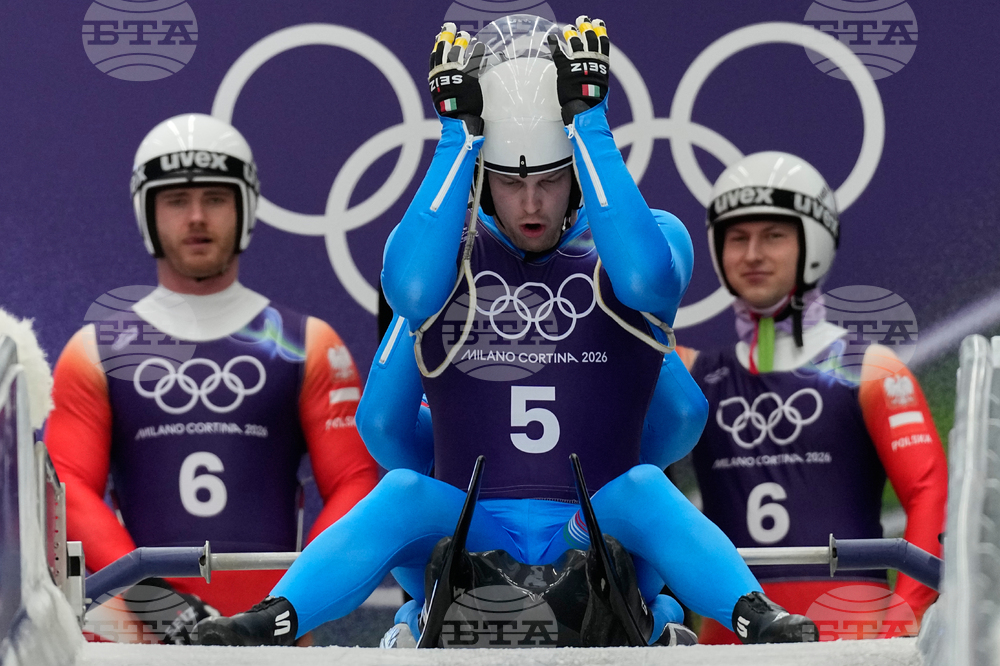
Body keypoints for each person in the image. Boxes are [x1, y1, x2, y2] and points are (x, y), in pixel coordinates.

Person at [195, 16, 815, 647]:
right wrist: (457, 142)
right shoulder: (449, 256)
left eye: (548, 179)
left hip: (586, 526)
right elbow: (408, 292)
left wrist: (590, 125)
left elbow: (648, 280)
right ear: (482, 179)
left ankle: (754, 618)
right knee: (407, 490)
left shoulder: (653, 235)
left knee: (641, 487)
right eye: (511, 182)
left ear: (577, 168)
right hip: (482, 529)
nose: (531, 205)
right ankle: (270, 621)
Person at [45, 114, 379, 643]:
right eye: (176, 201)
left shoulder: (311, 343)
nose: (197, 217)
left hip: (270, 634)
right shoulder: (93, 352)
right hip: (140, 637)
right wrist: (152, 601)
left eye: (216, 199)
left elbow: (357, 486)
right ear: (147, 213)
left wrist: (291, 604)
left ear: (244, 208)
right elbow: (66, 494)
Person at [676, 151, 948, 643]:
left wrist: (903, 620)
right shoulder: (691, 371)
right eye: (737, 237)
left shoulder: (872, 370)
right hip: (730, 636)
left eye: (774, 235)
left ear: (814, 243)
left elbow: (930, 495)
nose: (752, 254)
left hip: (853, 629)